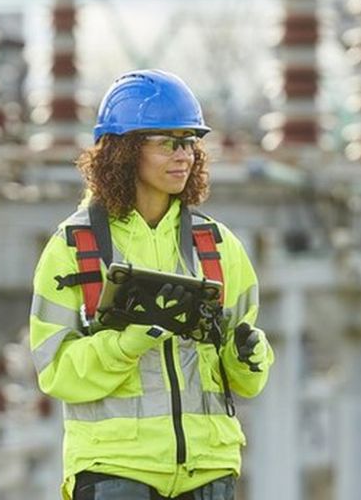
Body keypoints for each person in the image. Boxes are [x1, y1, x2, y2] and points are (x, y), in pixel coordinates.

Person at [30, 69, 274, 500]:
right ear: (125, 150)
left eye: (190, 142)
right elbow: (57, 372)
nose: (185, 156)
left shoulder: (219, 246)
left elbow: (248, 381)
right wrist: (125, 345)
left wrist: (250, 355)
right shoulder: (73, 246)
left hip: (209, 470)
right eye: (168, 142)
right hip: (114, 470)